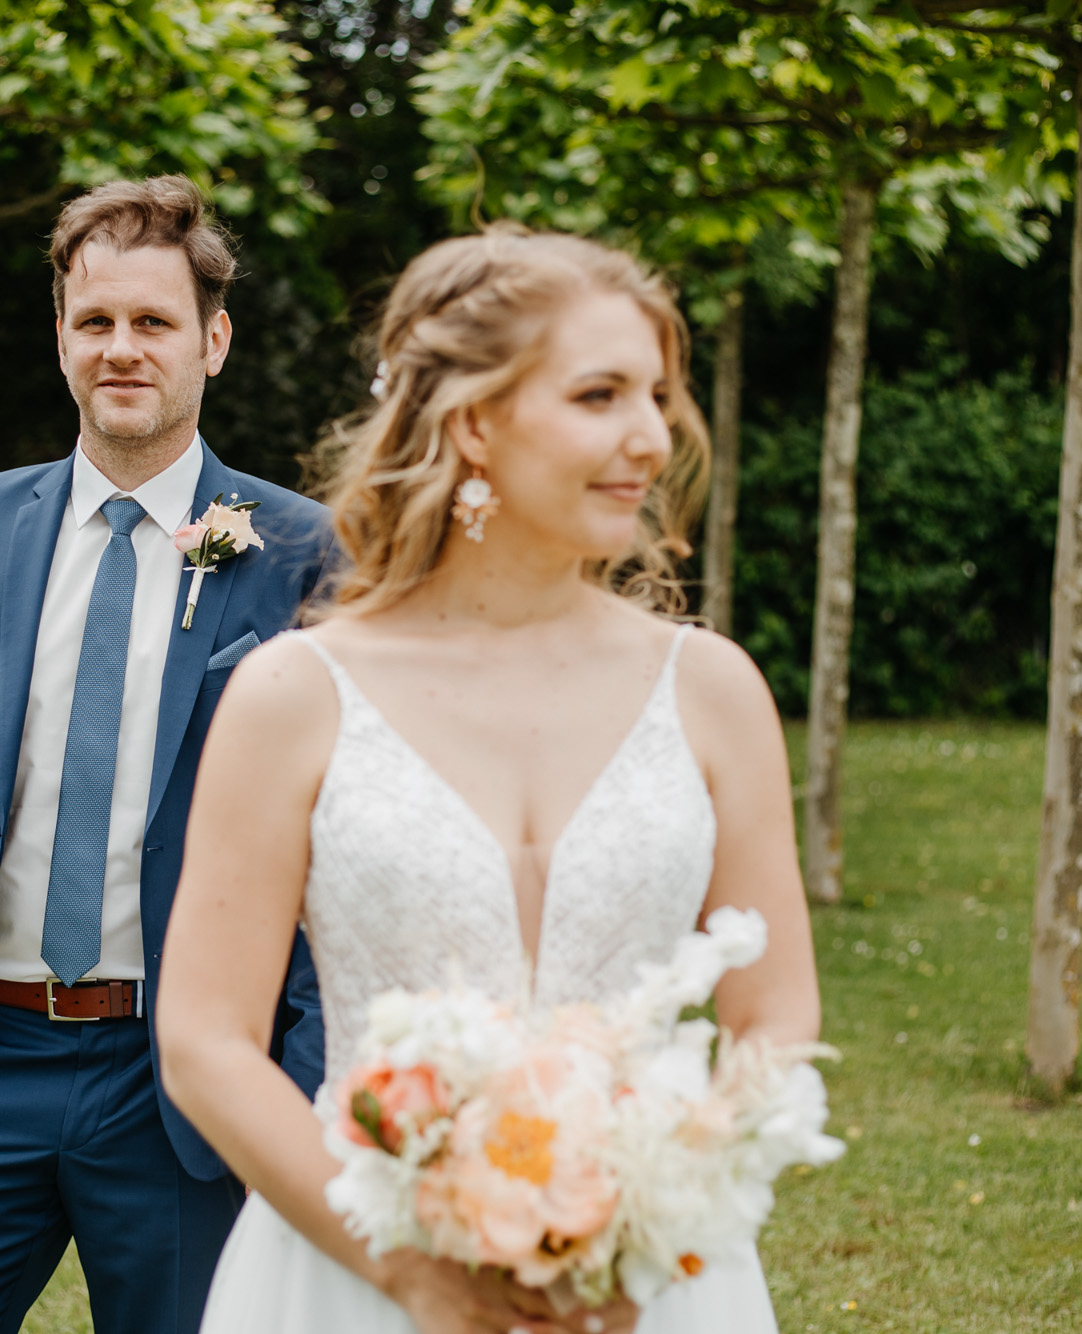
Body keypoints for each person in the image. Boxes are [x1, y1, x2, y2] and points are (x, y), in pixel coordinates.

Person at [156, 226, 824, 1334]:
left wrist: (656, 1205)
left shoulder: (712, 691)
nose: (652, 436)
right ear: (472, 420)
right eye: (600, 394)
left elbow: (776, 1010)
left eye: (657, 396)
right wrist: (407, 1273)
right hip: (353, 1276)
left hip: (650, 1285)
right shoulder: (294, 696)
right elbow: (205, 1040)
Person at [0, 176, 330, 1334]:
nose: (122, 347)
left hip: (180, 1076)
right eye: (95, 319)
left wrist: (295, 1073)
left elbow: (337, 835)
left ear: (213, 341)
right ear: (59, 335)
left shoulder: (297, 548)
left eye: (153, 320)